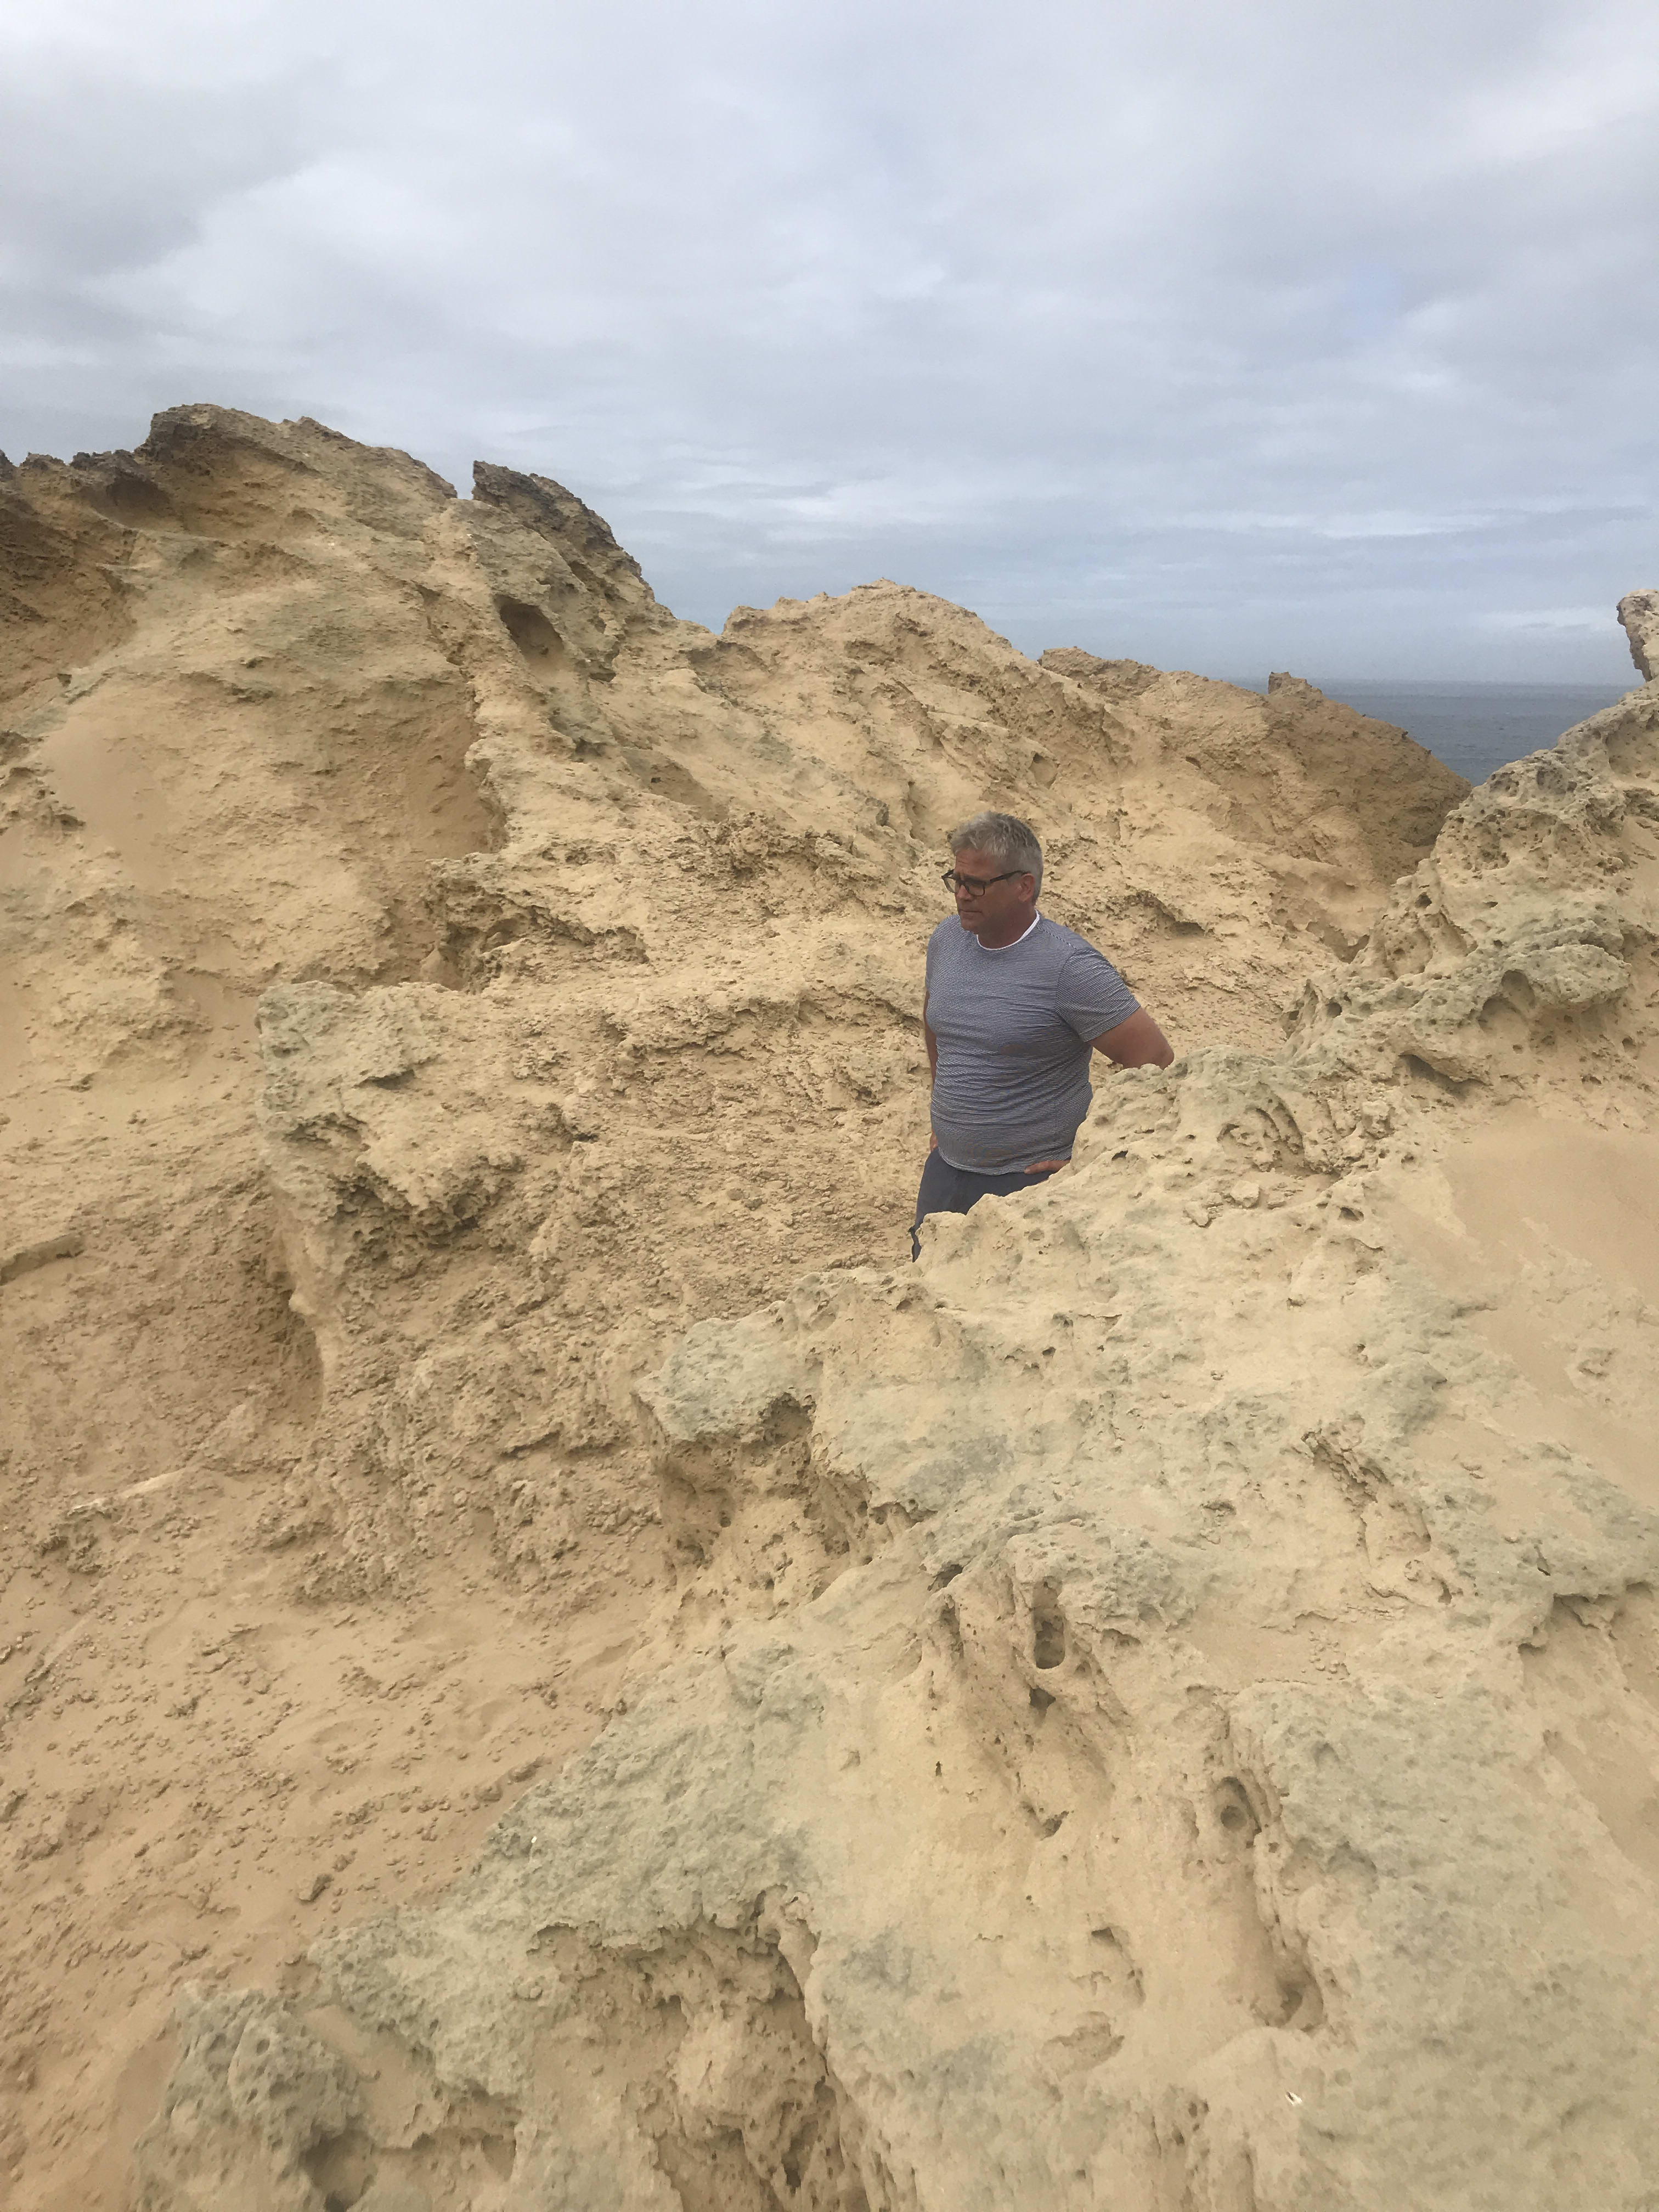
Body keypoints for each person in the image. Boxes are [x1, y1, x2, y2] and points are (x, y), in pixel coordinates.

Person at [913, 811, 1173, 1257]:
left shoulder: (1070, 969)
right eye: (955, 879)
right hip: (946, 1171)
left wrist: (1095, 1158)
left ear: (1024, 886)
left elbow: (1157, 1065)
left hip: (1030, 1185)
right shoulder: (947, 939)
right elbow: (936, 1024)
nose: (960, 895)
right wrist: (942, 1110)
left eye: (975, 883)